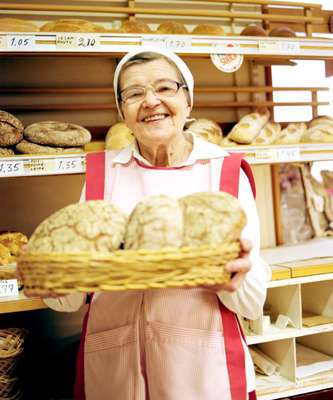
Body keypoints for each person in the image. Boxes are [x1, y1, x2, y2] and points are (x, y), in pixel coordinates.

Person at [45, 47, 271, 400]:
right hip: (115, 373)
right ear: (122, 111)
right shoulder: (103, 174)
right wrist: (52, 280)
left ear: (188, 100)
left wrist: (234, 280)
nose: (150, 101)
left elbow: (253, 302)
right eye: (134, 93)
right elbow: (73, 294)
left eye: (165, 88)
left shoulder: (224, 171)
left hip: (203, 373)